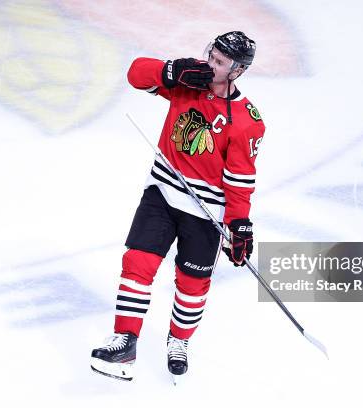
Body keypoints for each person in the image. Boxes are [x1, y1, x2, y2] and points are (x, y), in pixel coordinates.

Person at [90, 31, 265, 381]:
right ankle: (125, 340)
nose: (209, 64)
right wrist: (170, 71)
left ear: (237, 71)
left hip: (206, 210)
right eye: (211, 55)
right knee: (137, 262)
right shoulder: (188, 81)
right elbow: (135, 74)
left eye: (219, 62)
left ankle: (179, 340)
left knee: (192, 283)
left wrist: (238, 225)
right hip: (162, 191)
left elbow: (240, 182)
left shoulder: (247, 121)